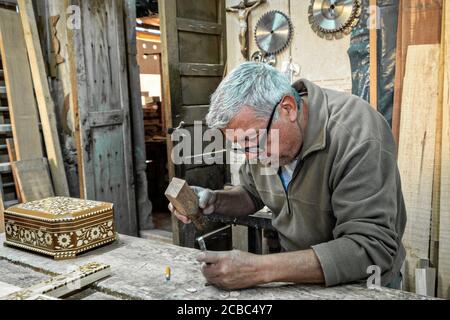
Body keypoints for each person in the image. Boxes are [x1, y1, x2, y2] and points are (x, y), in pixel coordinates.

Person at [169, 62, 406, 290]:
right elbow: (252, 194)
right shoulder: (263, 141)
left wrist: (258, 269)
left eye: (253, 142)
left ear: (288, 108)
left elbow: (371, 249)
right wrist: (216, 201)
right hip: (298, 277)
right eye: (241, 148)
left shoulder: (357, 134)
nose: (253, 157)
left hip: (362, 285)